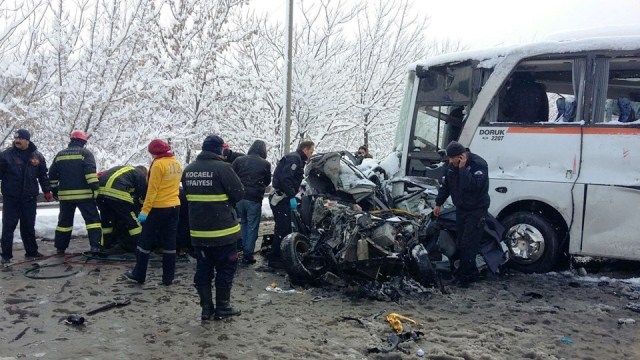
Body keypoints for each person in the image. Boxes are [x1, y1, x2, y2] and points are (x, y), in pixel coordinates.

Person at [182, 135, 245, 321]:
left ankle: (206, 309)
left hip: (198, 232)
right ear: (219, 150)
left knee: (203, 269)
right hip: (223, 231)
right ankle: (223, 307)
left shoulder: (189, 170)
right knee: (226, 268)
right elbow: (239, 193)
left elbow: (188, 194)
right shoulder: (224, 168)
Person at [124, 139, 182, 285]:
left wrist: (144, 211)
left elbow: (152, 190)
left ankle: (139, 274)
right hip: (174, 206)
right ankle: (168, 277)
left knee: (145, 242)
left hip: (158, 208)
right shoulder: (176, 163)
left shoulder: (157, 165)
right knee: (170, 243)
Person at [433, 141, 490, 288]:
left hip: (476, 209)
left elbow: (473, 187)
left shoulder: (479, 165)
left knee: (469, 243)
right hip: (461, 208)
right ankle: (469, 273)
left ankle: (465, 277)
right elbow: (446, 186)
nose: (450, 162)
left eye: (452, 159)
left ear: (461, 156)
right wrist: (438, 203)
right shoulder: (451, 167)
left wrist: (463, 169)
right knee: (461, 242)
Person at [0, 129, 53, 264]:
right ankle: (6, 255)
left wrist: (47, 191)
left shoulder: (37, 156)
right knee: (8, 227)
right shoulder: (5, 156)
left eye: (20, 139)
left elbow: (43, 175)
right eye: (16, 138)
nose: (17, 141)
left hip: (29, 198)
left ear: (27, 141)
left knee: (28, 225)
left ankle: (31, 251)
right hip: (11, 198)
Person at [49, 130, 103, 255]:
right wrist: (95, 189)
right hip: (84, 196)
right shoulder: (85, 153)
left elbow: (52, 175)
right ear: (83, 141)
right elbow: (90, 174)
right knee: (93, 221)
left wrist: (55, 190)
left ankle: (60, 247)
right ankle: (95, 246)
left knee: (64, 222)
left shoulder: (60, 155)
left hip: (65, 197)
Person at [268, 140, 315, 269]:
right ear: (305, 149)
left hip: (282, 197)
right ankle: (274, 259)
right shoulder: (295, 159)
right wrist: (291, 196)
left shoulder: (296, 159)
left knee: (284, 227)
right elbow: (285, 179)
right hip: (280, 197)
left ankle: (277, 255)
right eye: (311, 152)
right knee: (283, 228)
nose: (311, 154)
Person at [232, 140, 271, 265]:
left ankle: (242, 248)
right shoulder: (265, 164)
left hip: (239, 197)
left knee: (243, 223)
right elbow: (267, 181)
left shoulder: (239, 160)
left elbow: (232, 176)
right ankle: (248, 254)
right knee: (252, 226)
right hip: (254, 198)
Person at [96, 165, 147, 251]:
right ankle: (140, 247)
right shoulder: (140, 175)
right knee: (132, 222)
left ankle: (106, 245)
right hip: (117, 193)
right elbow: (142, 195)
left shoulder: (124, 170)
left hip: (100, 194)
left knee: (107, 221)